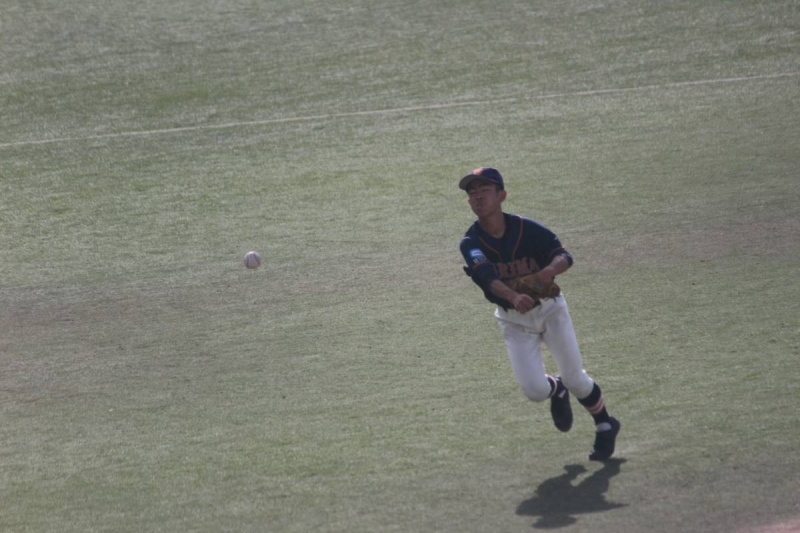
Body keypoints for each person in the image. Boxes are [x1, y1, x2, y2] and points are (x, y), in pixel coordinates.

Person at [458, 166, 620, 461]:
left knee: (576, 378)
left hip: (550, 311)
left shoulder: (527, 229)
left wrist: (544, 275)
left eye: (485, 190)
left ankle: (605, 424)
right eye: (472, 193)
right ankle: (556, 389)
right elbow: (484, 276)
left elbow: (564, 256)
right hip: (513, 320)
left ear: (502, 196)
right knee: (534, 390)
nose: (478, 197)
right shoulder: (471, 241)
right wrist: (513, 296)